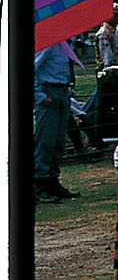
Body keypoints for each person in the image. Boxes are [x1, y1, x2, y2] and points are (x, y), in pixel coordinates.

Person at [34, 40, 85, 203]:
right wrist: (39, 96)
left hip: (62, 90)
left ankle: (53, 181)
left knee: (58, 140)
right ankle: (40, 184)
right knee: (46, 140)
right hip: (49, 90)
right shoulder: (48, 43)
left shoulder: (64, 44)